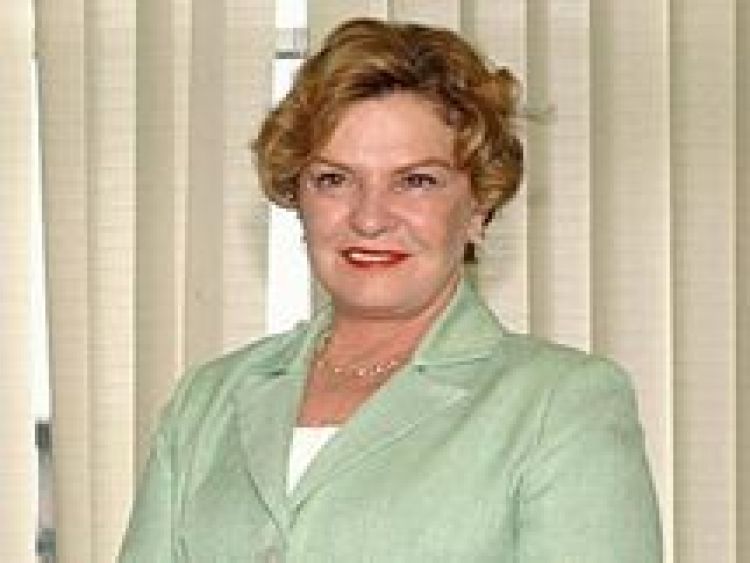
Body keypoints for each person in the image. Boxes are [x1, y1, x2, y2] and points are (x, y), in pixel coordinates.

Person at [118, 18, 662, 562]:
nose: (370, 218)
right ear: (298, 199)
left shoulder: (559, 404)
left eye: (416, 181)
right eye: (334, 180)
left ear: (479, 206)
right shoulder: (207, 402)